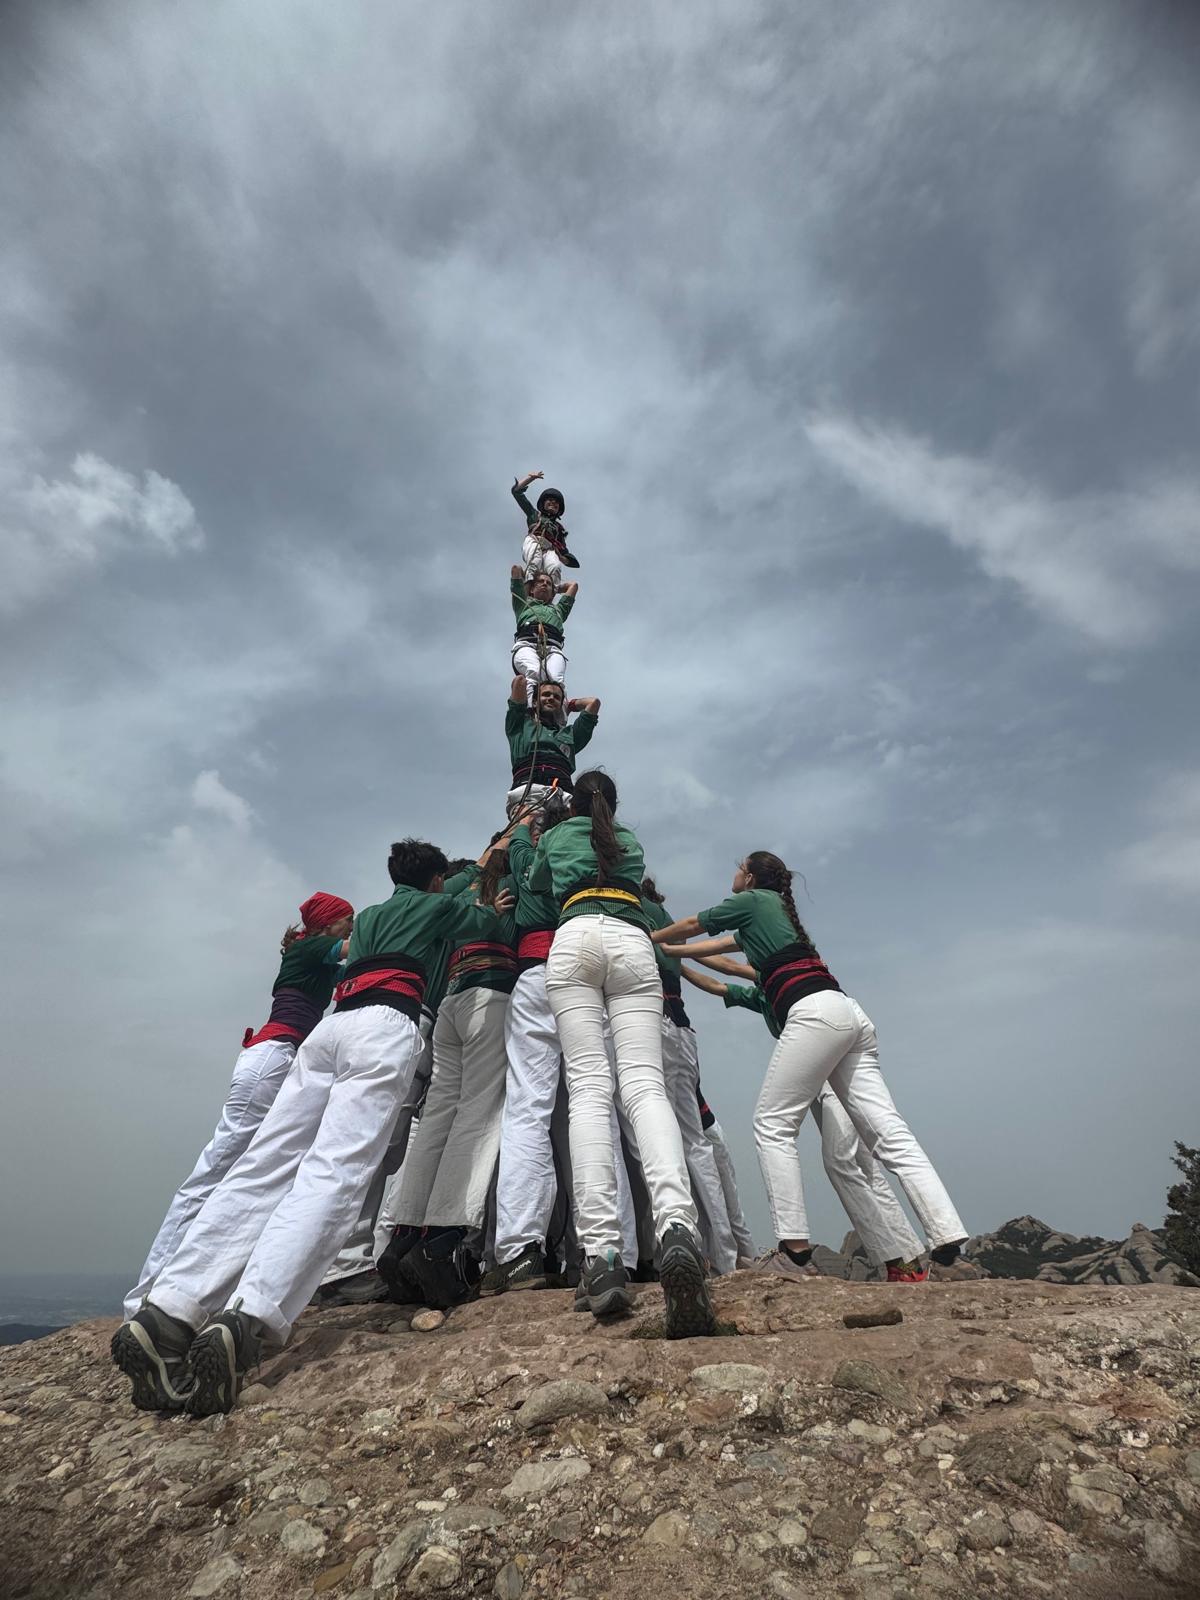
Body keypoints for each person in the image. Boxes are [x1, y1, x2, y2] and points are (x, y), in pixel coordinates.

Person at [110, 841, 510, 1417]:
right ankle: (246, 1319)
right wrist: (486, 872)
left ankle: (168, 1311)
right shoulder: (436, 905)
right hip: (385, 1025)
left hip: (330, 1030)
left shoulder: (370, 915)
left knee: (261, 1166)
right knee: (335, 1174)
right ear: (434, 880)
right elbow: (487, 921)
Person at [651, 851, 968, 1285]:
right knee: (888, 1131)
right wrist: (670, 951)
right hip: (849, 1014)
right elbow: (716, 952)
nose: (733, 871)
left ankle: (793, 1250)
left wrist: (651, 936)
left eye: (737, 866)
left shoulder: (753, 899)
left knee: (772, 1124)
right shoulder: (772, 917)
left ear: (749, 876)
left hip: (814, 1015)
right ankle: (946, 1231)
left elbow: (694, 926)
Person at [526, 770, 715, 1337]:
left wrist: (542, 831)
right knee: (644, 1087)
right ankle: (677, 1228)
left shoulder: (558, 837)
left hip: (575, 937)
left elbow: (536, 886)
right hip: (632, 945)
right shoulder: (628, 840)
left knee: (588, 1091)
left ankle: (602, 1257)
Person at [123, 894, 354, 1320]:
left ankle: (194, 1289)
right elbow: (359, 949)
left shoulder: (314, 954)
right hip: (272, 1058)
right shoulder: (310, 947)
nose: (353, 927)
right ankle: (145, 1297)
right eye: (348, 920)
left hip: (279, 1060)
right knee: (213, 1175)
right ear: (327, 925)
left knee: (248, 1172)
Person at [680, 961, 926, 1281]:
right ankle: (906, 1263)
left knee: (845, 1162)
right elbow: (717, 986)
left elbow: (732, 969)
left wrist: (674, 948)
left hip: (835, 1072)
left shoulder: (790, 978)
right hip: (813, 1080)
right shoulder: (765, 998)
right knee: (862, 1168)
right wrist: (678, 966)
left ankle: (904, 1262)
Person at [380, 836, 518, 1308]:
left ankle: (402, 1239)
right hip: (490, 996)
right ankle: (442, 1242)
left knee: (437, 1119)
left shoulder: (453, 892)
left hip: (450, 1004)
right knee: (478, 1117)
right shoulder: (512, 883)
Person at [640, 877, 738, 1275]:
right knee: (694, 1141)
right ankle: (725, 1255)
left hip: (653, 1021)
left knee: (649, 1137)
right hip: (680, 1025)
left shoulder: (633, 911)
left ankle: (659, 1246)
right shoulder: (662, 916)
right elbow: (696, 963)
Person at [505, 677, 600, 818]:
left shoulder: (570, 735)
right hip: (530, 791)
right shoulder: (520, 726)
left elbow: (593, 703)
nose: (551, 698)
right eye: (545, 694)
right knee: (527, 832)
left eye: (556, 697)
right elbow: (519, 682)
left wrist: (570, 705)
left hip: (563, 795)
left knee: (569, 837)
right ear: (535, 701)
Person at [695, 1084, 757, 1267]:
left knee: (729, 1213)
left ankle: (742, 1264)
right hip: (697, 1131)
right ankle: (730, 1265)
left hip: (705, 1129)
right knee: (715, 1214)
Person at [510, 565, 578, 706]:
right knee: (533, 672)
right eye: (540, 582)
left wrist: (555, 588)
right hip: (526, 644)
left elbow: (573, 586)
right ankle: (529, 711)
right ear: (531, 589)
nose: (544, 585)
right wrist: (529, 581)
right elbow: (516, 570)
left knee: (556, 680)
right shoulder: (522, 604)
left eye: (548, 583)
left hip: (552, 648)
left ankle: (559, 719)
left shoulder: (559, 610)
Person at [512, 469, 578, 582]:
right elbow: (517, 492)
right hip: (535, 541)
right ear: (543, 504)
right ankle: (528, 588)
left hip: (550, 549)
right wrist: (531, 478)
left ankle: (549, 595)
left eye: (557, 503)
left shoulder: (558, 529)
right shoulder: (535, 515)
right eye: (550, 500)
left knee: (555, 568)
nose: (553, 503)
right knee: (534, 562)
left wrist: (561, 557)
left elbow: (565, 553)